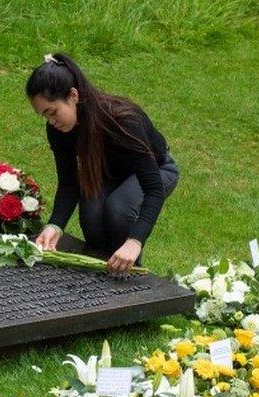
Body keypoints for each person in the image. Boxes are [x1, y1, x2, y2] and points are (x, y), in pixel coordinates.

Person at [26, 53, 179, 273]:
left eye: (53, 112)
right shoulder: (58, 131)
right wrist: (55, 225)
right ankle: (101, 281)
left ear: (73, 95)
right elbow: (69, 183)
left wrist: (135, 241)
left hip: (158, 169)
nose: (51, 121)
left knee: (119, 210)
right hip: (110, 173)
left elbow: (153, 189)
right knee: (91, 216)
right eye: (44, 116)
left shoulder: (124, 120)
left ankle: (131, 279)